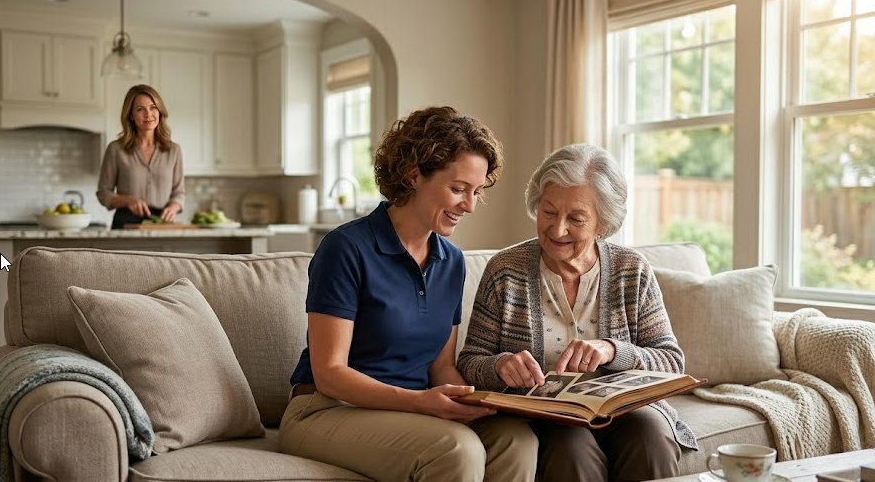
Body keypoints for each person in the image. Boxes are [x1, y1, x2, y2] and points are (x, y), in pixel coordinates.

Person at [279, 106, 537, 482]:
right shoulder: (346, 248)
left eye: (476, 192)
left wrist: (476, 397)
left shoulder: (452, 261)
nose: (469, 205)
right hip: (327, 409)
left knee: (517, 440)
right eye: (458, 188)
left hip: (411, 411)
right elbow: (330, 374)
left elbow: (440, 367)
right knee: (455, 448)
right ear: (413, 174)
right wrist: (419, 403)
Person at [458, 143, 698, 482]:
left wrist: (613, 351)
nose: (557, 230)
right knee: (570, 446)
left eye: (577, 219)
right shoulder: (505, 271)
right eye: (549, 212)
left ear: (603, 223)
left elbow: (672, 361)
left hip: (626, 412)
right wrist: (500, 365)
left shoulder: (633, 270)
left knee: (651, 437)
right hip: (546, 418)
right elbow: (471, 360)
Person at [97, 84, 185, 229]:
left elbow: (179, 193)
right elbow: (103, 193)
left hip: (161, 225)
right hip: (125, 223)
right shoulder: (115, 149)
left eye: (153, 107)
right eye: (140, 109)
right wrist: (127, 201)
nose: (148, 114)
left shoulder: (174, 150)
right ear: (131, 115)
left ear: (160, 110)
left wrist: (173, 208)